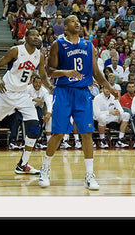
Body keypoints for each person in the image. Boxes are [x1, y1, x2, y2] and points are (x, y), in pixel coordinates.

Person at [39, 14, 119, 190]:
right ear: (65, 27)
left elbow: (96, 72)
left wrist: (109, 86)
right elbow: (50, 71)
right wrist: (65, 72)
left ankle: (89, 175)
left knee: (87, 133)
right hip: (63, 92)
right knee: (58, 133)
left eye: (78, 21)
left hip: (83, 93)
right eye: (73, 21)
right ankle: (44, 168)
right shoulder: (57, 44)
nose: (77, 23)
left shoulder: (88, 45)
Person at [0, 28, 52, 174]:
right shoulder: (16, 50)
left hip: (22, 95)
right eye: (34, 35)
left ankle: (23, 164)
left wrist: (51, 87)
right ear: (26, 37)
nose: (37, 37)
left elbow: (43, 76)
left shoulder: (39, 56)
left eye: (38, 35)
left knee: (35, 127)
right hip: (5, 94)